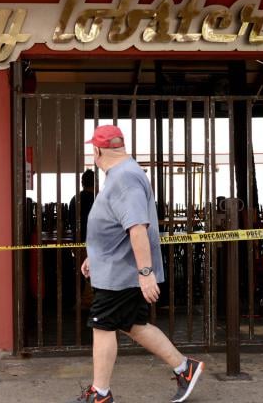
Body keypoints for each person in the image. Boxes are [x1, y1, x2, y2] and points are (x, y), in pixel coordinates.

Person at [68, 125, 204, 403]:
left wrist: (145, 273)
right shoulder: (122, 174)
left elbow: (137, 227)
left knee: (102, 324)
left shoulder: (124, 178)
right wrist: (95, 256)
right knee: (133, 324)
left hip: (122, 272)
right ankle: (184, 367)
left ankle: (100, 394)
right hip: (116, 267)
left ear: (97, 150)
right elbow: (117, 225)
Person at [69, 169, 95, 242]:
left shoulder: (74, 199)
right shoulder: (97, 200)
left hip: (78, 242)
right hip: (95, 243)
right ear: (95, 182)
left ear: (82, 183)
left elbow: (71, 221)